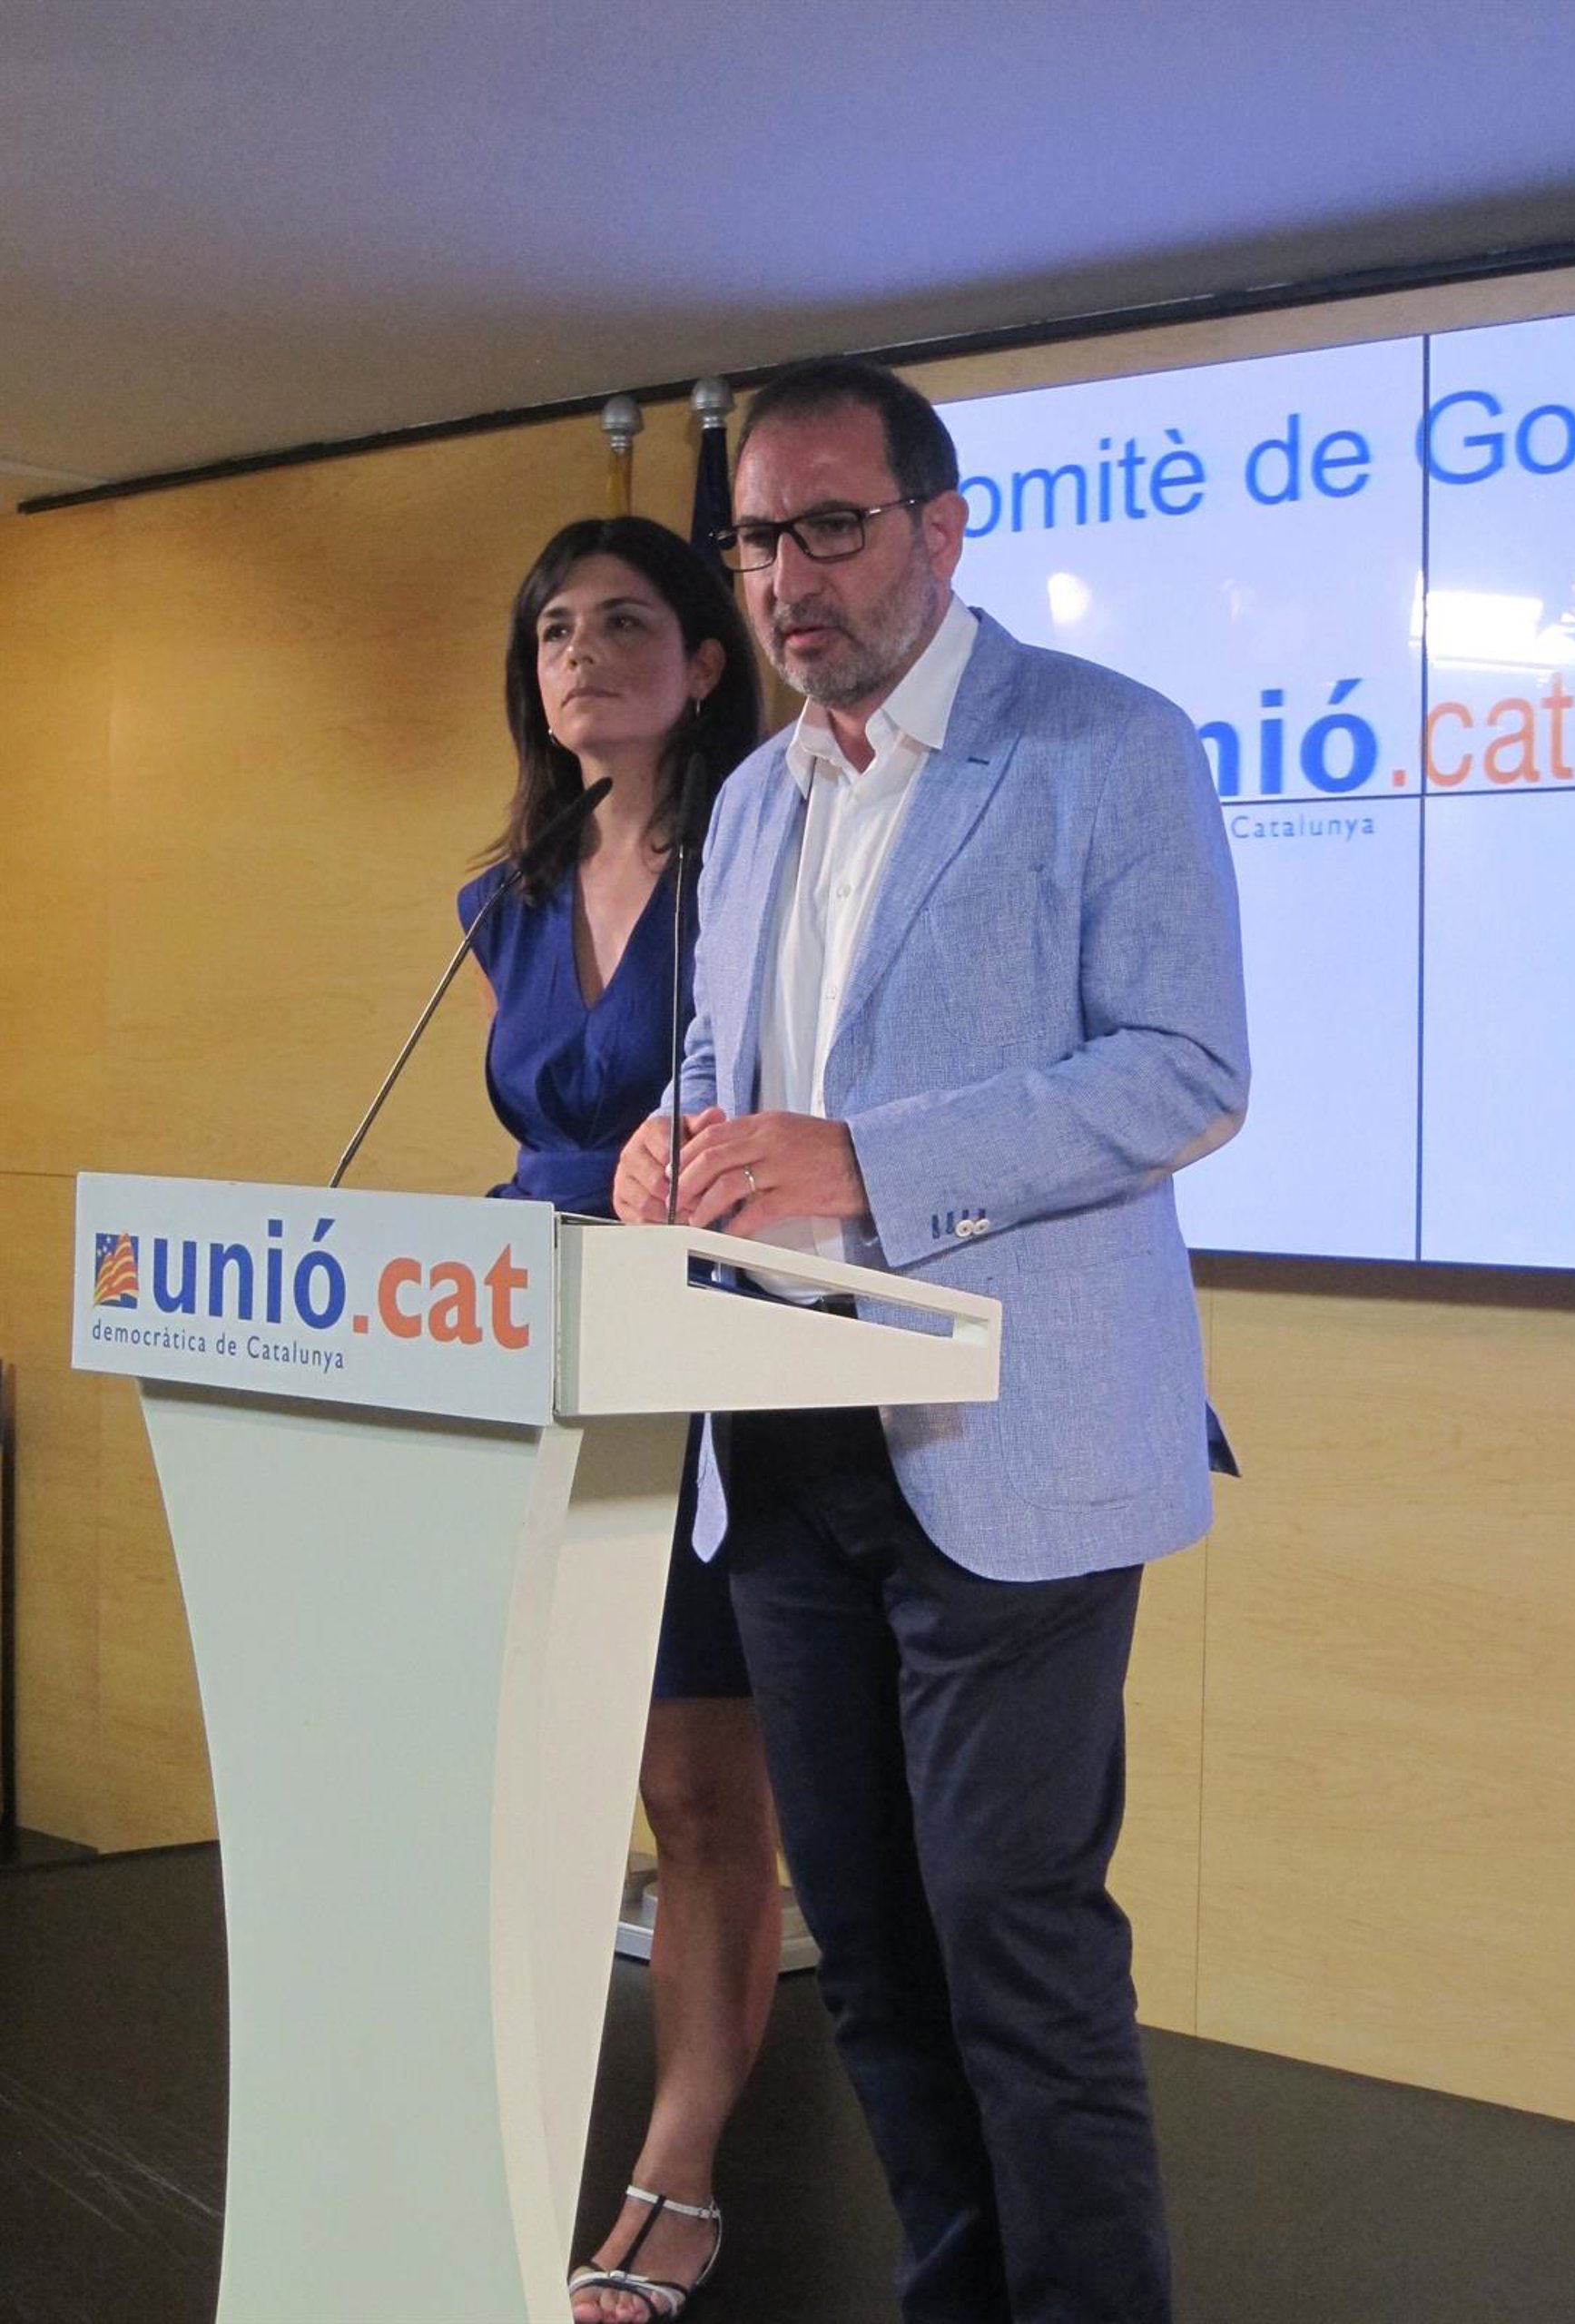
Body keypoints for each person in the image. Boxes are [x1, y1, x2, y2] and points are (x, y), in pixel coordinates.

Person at [614, 358, 1249, 2324]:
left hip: (1013, 1443)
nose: (783, 578)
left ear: (943, 528)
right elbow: (726, 1059)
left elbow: (1185, 1067)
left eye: (829, 525)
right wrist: (676, 1139)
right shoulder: (750, 794)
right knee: (878, 1958)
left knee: (1011, 1944)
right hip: (783, 1445)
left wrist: (869, 1160)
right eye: (755, 540)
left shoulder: (1103, 745)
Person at [459, 515, 778, 2324]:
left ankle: (681, 2168)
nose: (583, 653)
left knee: (695, 1785)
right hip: (534, 1335)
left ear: (708, 662)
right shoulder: (500, 898)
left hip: (699, 1344)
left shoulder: (759, 865)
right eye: (555, 629)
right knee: (555, 1778)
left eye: (628, 622)